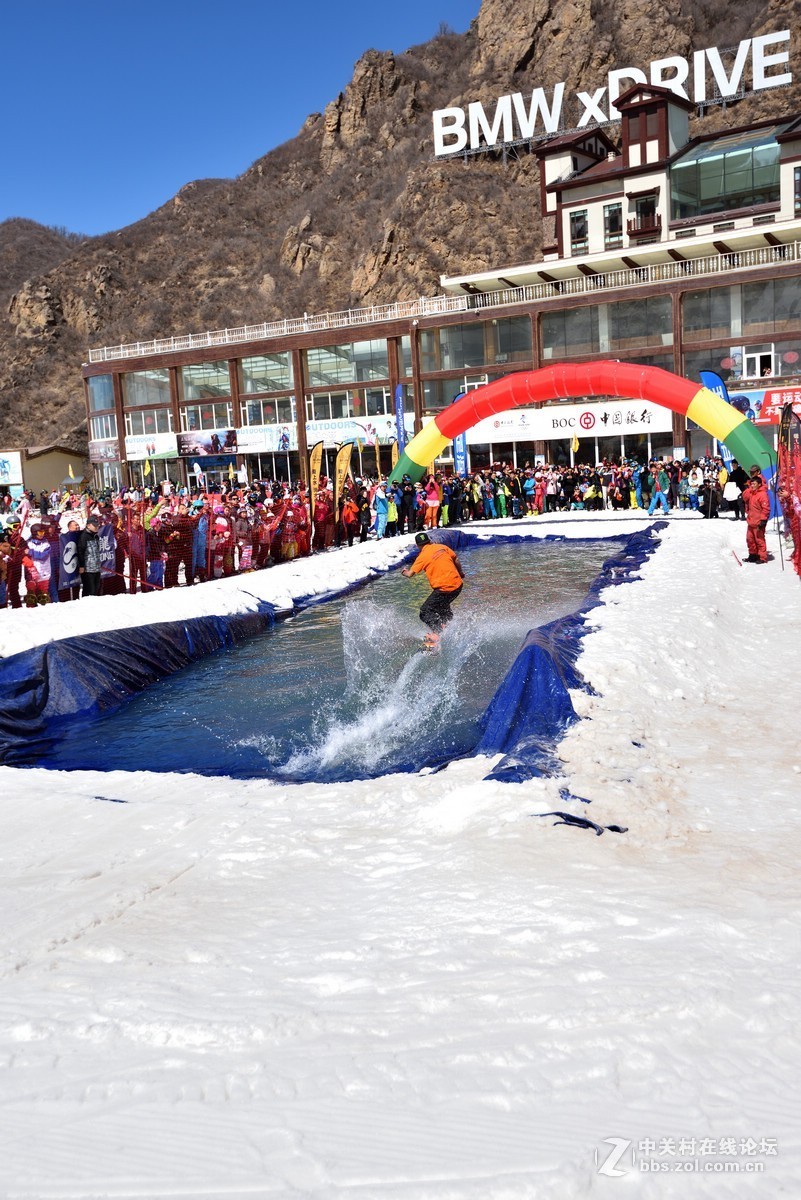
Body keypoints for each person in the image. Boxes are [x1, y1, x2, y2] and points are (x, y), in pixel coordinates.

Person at [401, 531, 465, 650]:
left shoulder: (422, 556)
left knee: (425, 611)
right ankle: (449, 627)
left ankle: (437, 634)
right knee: (442, 607)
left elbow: (410, 574)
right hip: (457, 586)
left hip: (444, 589)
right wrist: (460, 573)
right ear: (429, 541)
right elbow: (455, 559)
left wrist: (404, 572)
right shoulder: (442, 547)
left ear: (418, 546)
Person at [743, 470, 770, 563]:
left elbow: (766, 508)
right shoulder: (751, 492)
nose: (752, 485)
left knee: (759, 540)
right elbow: (744, 497)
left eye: (754, 484)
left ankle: (762, 557)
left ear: (759, 484)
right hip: (751, 521)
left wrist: (763, 520)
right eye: (751, 484)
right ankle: (753, 555)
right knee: (750, 539)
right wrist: (749, 489)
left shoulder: (762, 494)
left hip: (759, 522)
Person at [77, 516, 103, 597]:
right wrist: (81, 566)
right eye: (94, 525)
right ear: (88, 525)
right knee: (89, 590)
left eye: (97, 525)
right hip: (87, 569)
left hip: (96, 567)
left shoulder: (96, 536)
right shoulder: (84, 536)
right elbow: (80, 551)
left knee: (96, 589)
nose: (96, 527)